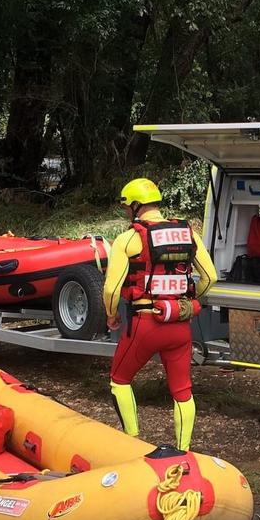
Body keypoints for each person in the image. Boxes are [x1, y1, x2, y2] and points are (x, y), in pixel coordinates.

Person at [103, 177, 217, 451]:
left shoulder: (128, 239)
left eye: (126, 208)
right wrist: (188, 300)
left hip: (146, 324)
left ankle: (132, 441)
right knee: (182, 392)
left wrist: (111, 315)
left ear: (135, 206)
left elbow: (111, 289)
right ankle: (184, 451)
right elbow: (210, 278)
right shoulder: (188, 234)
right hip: (180, 325)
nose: (126, 213)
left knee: (119, 381)